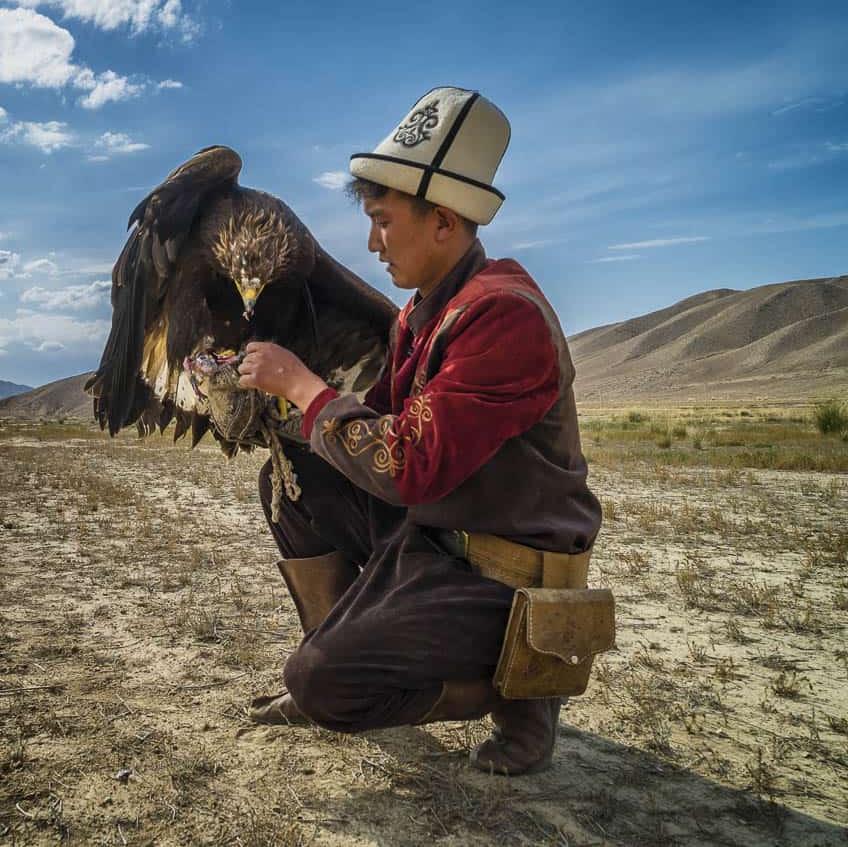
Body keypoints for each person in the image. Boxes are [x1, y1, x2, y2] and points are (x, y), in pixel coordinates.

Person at [237, 87, 602, 775]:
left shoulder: (503, 316)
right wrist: (265, 402)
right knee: (294, 481)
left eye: (382, 220)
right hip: (436, 541)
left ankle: (527, 684)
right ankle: (342, 648)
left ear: (442, 221)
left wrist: (301, 385)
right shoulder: (423, 315)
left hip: (504, 575)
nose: (371, 241)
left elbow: (407, 465)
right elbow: (371, 431)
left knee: (319, 683)